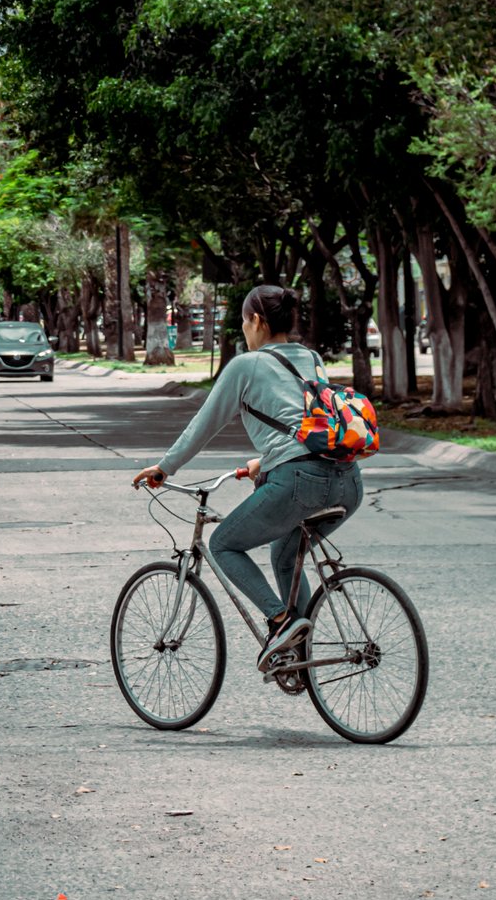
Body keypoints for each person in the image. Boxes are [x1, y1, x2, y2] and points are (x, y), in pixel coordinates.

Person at [133, 285, 363, 670]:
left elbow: (202, 426)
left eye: (243, 321)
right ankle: (299, 653)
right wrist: (264, 459)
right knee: (285, 555)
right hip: (349, 480)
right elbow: (310, 423)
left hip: (299, 481)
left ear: (256, 321)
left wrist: (164, 468)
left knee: (223, 544)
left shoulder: (245, 365)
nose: (243, 329)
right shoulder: (311, 357)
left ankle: (281, 621)